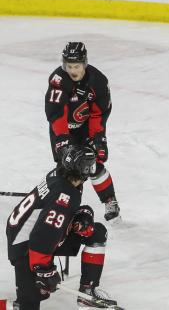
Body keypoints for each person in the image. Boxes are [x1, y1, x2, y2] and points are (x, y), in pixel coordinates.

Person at [5, 146, 118, 309]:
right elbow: (43, 234)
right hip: (26, 249)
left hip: (28, 237)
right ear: (83, 169)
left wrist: (83, 214)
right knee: (27, 307)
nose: (93, 169)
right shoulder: (65, 192)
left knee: (96, 232)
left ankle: (87, 291)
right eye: (91, 166)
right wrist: (43, 270)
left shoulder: (61, 175)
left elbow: (54, 215)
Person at [45, 42, 120, 222]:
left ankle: (110, 200)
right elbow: (57, 115)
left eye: (76, 66)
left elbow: (98, 114)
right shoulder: (58, 80)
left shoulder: (98, 81)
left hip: (86, 129)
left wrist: (98, 138)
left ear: (84, 63)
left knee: (93, 163)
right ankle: (67, 210)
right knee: (68, 170)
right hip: (63, 131)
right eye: (69, 66)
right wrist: (64, 142)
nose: (72, 70)